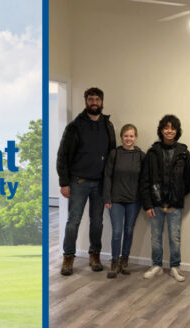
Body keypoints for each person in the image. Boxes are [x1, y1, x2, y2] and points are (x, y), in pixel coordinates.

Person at [57, 87, 116, 276]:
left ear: (102, 102)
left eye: (97, 99)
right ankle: (68, 258)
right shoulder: (75, 126)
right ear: (85, 101)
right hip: (78, 182)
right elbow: (63, 156)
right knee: (73, 221)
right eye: (91, 99)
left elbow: (112, 154)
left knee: (97, 222)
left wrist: (111, 181)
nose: (94, 102)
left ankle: (94, 255)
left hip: (100, 183)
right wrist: (64, 182)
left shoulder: (108, 125)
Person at [141, 115, 190, 282]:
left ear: (177, 131)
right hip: (155, 204)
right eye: (166, 127)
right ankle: (156, 265)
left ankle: (174, 267)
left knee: (174, 237)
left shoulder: (183, 152)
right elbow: (145, 179)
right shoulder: (152, 152)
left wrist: (177, 195)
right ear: (161, 130)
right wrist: (148, 203)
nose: (169, 131)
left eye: (172, 128)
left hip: (175, 205)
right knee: (155, 236)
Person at [103, 124, 145, 279]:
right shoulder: (114, 153)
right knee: (117, 232)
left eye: (131, 136)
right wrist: (107, 197)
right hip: (115, 200)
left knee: (128, 231)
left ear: (136, 137)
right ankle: (114, 263)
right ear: (121, 137)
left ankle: (124, 261)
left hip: (134, 201)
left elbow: (145, 179)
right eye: (126, 136)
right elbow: (107, 176)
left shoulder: (141, 155)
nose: (129, 139)